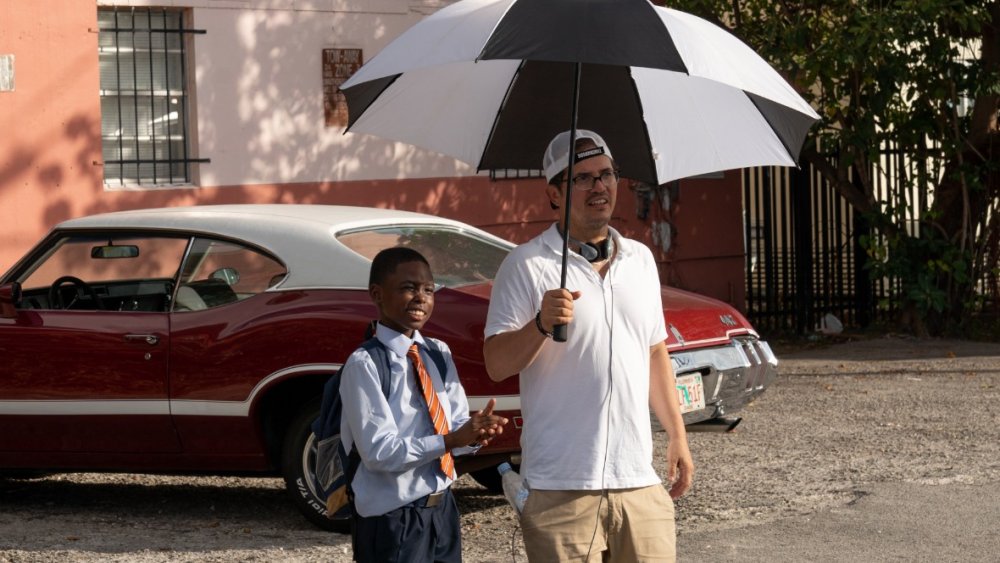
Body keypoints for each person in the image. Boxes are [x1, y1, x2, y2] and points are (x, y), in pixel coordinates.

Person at [483, 130, 695, 562]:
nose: (599, 187)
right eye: (582, 178)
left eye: (607, 175)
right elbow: (496, 363)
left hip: (638, 479)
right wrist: (540, 325)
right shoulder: (526, 265)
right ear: (554, 194)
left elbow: (654, 352)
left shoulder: (640, 260)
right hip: (560, 487)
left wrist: (678, 435)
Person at [341, 247, 508, 563]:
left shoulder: (438, 353)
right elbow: (379, 453)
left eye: (429, 290)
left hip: (441, 508)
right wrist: (451, 440)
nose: (421, 297)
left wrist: (474, 435)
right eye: (408, 288)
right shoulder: (365, 364)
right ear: (377, 294)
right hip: (393, 516)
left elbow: (455, 428)